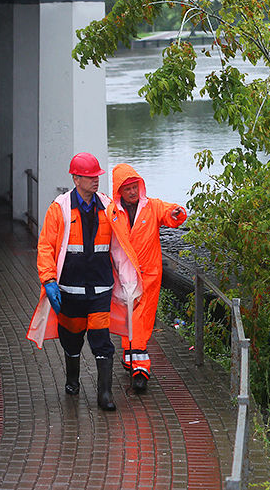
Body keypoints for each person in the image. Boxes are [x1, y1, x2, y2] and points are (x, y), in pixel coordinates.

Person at [27, 152, 142, 411]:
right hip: (69, 290)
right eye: (90, 177)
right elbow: (45, 246)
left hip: (100, 290)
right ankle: (72, 380)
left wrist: (129, 284)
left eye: (97, 176)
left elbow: (122, 245)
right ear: (76, 178)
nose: (95, 180)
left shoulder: (108, 206)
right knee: (72, 339)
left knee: (102, 341)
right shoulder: (60, 209)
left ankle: (105, 395)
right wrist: (49, 280)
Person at [108, 163, 187, 393]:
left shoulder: (151, 207)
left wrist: (177, 212)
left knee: (140, 321)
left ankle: (140, 369)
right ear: (119, 191)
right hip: (124, 276)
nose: (132, 192)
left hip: (149, 275)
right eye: (128, 188)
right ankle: (131, 358)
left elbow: (169, 213)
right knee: (128, 318)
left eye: (135, 187)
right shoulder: (112, 212)